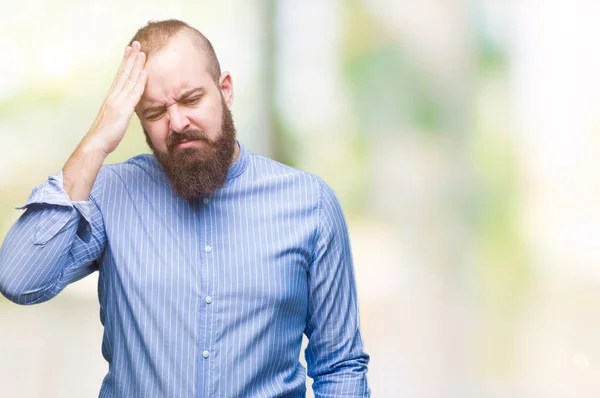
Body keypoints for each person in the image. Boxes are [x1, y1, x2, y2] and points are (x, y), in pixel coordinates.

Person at [0, 19, 370, 397]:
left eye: (191, 99)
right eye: (156, 113)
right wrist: (96, 140)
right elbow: (19, 280)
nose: (177, 122)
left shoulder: (310, 204)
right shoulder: (108, 195)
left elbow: (340, 367)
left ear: (225, 91)